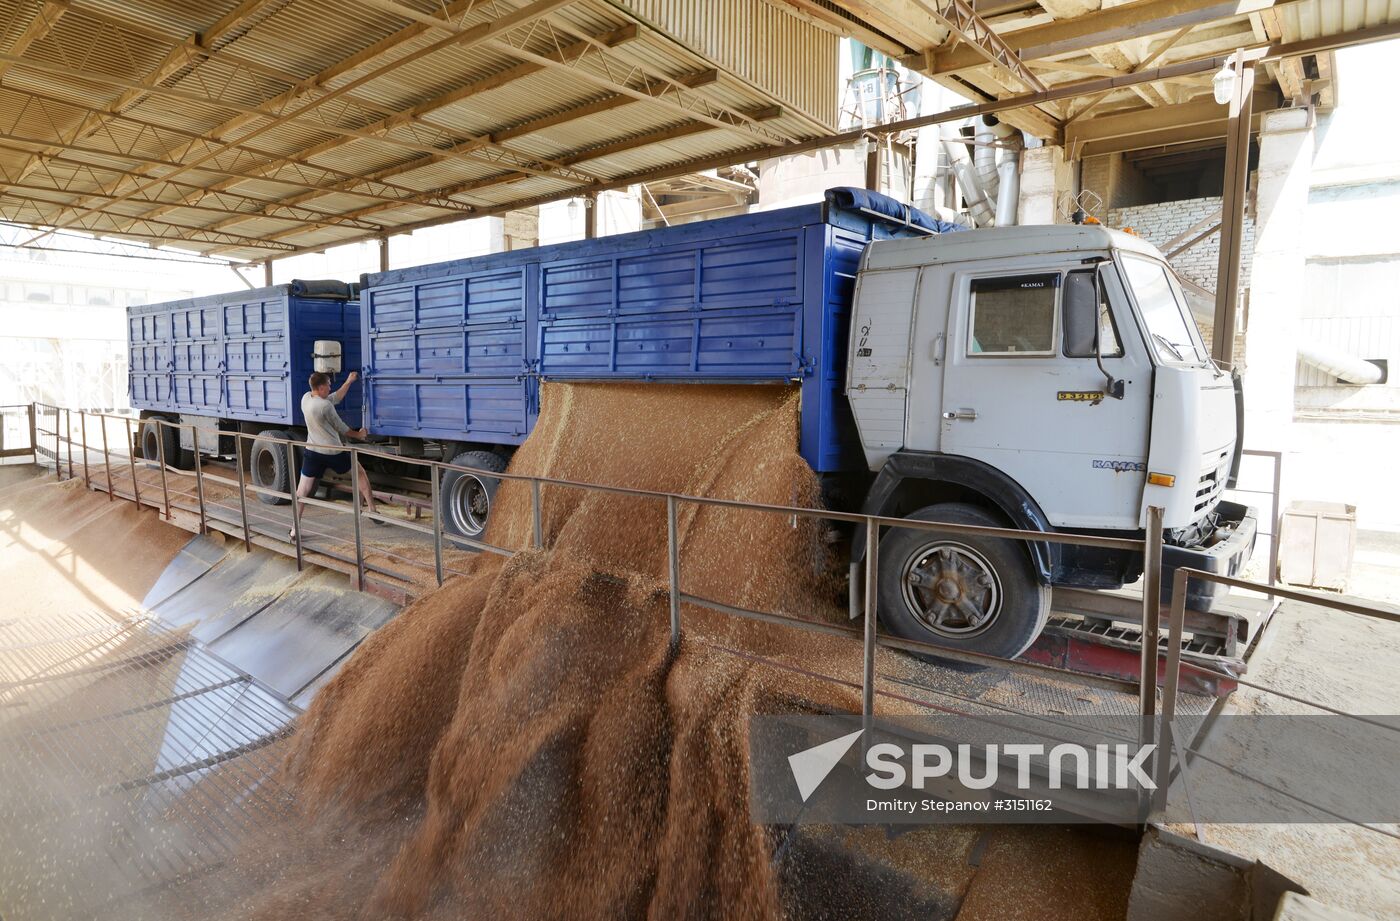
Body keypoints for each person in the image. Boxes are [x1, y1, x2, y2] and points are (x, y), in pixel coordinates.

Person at [291, 370, 377, 540]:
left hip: (313, 451)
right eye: (328, 385)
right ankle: (372, 509)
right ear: (321, 387)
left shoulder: (306, 398)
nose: (330, 387)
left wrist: (349, 381)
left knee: (302, 490)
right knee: (360, 473)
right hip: (333, 452)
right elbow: (342, 428)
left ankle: (294, 528)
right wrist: (360, 434)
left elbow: (335, 397)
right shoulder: (325, 406)